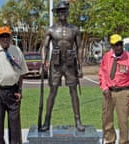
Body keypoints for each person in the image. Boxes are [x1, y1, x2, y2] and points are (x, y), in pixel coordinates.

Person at [40, 1, 85, 132]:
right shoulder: (51, 29)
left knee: (73, 91)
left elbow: (80, 47)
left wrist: (80, 66)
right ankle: (47, 121)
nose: (63, 14)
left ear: (68, 12)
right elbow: (45, 47)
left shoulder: (75, 29)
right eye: (60, 11)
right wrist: (44, 62)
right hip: (56, 63)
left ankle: (78, 120)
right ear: (57, 13)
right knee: (52, 92)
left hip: (70, 63)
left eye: (65, 11)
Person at [98, 34, 129, 144]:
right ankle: (109, 140)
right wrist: (104, 87)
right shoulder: (107, 57)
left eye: (120, 44)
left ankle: (124, 141)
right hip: (109, 92)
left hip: (124, 92)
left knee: (123, 120)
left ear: (122, 44)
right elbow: (102, 73)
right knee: (106, 119)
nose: (118, 47)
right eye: (115, 45)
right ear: (111, 46)